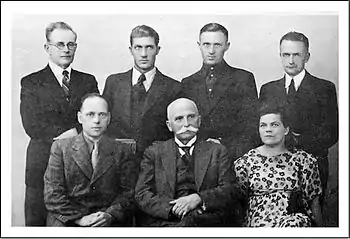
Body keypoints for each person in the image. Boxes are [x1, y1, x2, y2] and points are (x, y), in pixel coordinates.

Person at [20, 21, 99, 226]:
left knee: (78, 222)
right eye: (60, 44)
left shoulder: (88, 81)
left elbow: (96, 117)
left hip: (80, 163)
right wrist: (72, 131)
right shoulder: (31, 82)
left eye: (71, 44)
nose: (66, 49)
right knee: (37, 224)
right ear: (47, 48)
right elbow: (32, 124)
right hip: (42, 162)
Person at [259, 31, 338, 207]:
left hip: (313, 165)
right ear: (280, 55)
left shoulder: (324, 88)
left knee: (309, 217)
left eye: (296, 55)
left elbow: (332, 133)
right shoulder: (268, 89)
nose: (291, 61)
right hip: (275, 165)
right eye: (286, 55)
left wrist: (295, 142)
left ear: (307, 56)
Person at [134, 98, 235, 227]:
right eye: (179, 119)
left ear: (199, 120)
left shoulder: (217, 151)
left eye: (191, 117)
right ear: (169, 125)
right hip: (166, 223)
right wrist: (172, 209)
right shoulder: (154, 152)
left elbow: (230, 190)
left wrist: (199, 198)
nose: (186, 124)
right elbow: (142, 193)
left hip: (206, 223)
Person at [44, 93, 137, 227]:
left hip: (106, 218)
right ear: (80, 117)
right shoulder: (61, 148)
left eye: (102, 115)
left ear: (109, 118)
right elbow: (53, 194)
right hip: (69, 218)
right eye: (90, 114)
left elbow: (129, 193)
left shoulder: (122, 150)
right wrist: (80, 219)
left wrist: (110, 215)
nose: (96, 120)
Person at [234, 101, 323, 227]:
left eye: (274, 125)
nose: (268, 130)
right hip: (258, 225)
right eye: (263, 125)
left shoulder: (304, 160)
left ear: (286, 129)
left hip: (292, 223)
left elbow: (314, 203)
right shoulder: (245, 162)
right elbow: (238, 204)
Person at [179, 22, 259, 161]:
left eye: (217, 45)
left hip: (233, 156)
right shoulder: (188, 83)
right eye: (206, 44)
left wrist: (224, 145)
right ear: (199, 45)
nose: (211, 51)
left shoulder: (243, 79)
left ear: (227, 46)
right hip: (196, 158)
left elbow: (251, 127)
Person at [102, 25, 181, 160]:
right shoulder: (114, 83)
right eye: (138, 47)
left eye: (149, 47)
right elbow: (104, 123)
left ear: (157, 50)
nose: (143, 54)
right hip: (117, 161)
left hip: (157, 163)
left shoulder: (173, 87)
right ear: (131, 50)